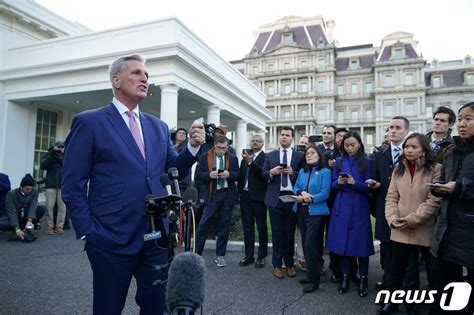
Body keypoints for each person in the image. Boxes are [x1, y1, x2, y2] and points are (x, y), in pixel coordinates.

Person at [61, 54, 205, 315]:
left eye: (147, 75)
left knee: (156, 308)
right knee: (108, 308)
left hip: (155, 237)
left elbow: (174, 167)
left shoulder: (158, 127)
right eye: (136, 73)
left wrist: (192, 148)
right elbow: (72, 184)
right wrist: (88, 232)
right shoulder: (90, 122)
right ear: (116, 80)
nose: (145, 78)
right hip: (110, 237)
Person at [378, 133, 442, 315]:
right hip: (399, 227)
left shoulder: (436, 169)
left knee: (430, 272)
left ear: (424, 150)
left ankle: (417, 306)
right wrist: (392, 219)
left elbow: (434, 200)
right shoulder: (398, 169)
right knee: (396, 270)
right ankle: (392, 303)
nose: (409, 150)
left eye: (414, 147)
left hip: (424, 227)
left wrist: (412, 220)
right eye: (407, 147)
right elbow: (391, 198)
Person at [430, 102, 474, 315]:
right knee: (447, 283)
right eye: (461, 118)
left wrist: (458, 188)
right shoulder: (451, 150)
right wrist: (438, 188)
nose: (462, 124)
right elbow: (445, 179)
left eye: (469, 119)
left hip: (470, 226)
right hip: (447, 224)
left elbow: (459, 185)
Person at [326, 131, 374, 297]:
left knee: (362, 245)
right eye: (346, 145)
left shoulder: (368, 161)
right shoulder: (339, 161)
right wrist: (338, 182)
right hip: (341, 205)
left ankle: (363, 278)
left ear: (359, 144)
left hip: (359, 206)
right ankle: (344, 277)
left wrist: (356, 183)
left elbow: (370, 186)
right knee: (343, 245)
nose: (350, 148)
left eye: (353, 145)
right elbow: (331, 185)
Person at [373, 116, 418, 292]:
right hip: (385, 208)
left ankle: (407, 290)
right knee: (386, 248)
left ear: (406, 132)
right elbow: (377, 179)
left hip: (407, 208)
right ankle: (388, 281)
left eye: (398, 128)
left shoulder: (413, 154)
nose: (393, 130)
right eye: (391, 127)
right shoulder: (380, 155)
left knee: (407, 252)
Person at [263, 126, 304, 279]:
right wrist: (271, 173)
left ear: (292, 138)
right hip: (275, 198)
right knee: (277, 233)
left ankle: (289, 264)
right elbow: (263, 173)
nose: (284, 137)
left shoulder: (299, 156)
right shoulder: (271, 155)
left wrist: (293, 173)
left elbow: (304, 175)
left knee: (289, 233)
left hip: (292, 199)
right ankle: (277, 265)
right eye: (282, 135)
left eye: (287, 135)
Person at [195, 135, 239, 267]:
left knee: (223, 227)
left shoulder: (232, 157)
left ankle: (220, 256)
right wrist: (209, 175)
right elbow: (198, 175)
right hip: (211, 194)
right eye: (220, 148)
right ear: (214, 145)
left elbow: (238, 174)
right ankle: (197, 255)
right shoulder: (205, 156)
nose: (222, 150)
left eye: (225, 148)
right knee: (203, 225)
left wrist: (229, 174)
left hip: (226, 194)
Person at [292, 145, 331, 293]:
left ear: (319, 155)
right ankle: (310, 276)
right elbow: (295, 187)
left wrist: (309, 198)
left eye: (312, 153)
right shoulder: (303, 171)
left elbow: (324, 194)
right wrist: (301, 192)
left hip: (316, 213)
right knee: (306, 244)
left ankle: (314, 280)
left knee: (310, 245)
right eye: (307, 153)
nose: (308, 155)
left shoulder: (325, 172)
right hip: (301, 212)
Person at [238, 134, 268, 268]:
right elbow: (241, 176)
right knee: (247, 227)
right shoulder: (245, 157)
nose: (255, 143)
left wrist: (251, 162)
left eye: (258, 141)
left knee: (261, 228)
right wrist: (239, 193)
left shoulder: (266, 158)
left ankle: (261, 256)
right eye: (253, 141)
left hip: (259, 198)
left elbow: (263, 175)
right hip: (245, 197)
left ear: (262, 143)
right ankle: (249, 255)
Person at [0, 174, 46, 241]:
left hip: (26, 215)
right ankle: (16, 228)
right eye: (27, 189)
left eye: (31, 189)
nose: (29, 191)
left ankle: (29, 227)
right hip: (15, 215)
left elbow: (33, 207)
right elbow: (12, 213)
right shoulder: (11, 194)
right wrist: (17, 229)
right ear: (21, 187)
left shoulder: (34, 191)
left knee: (42, 208)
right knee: (2, 224)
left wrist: (30, 220)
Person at [40, 140, 67, 235]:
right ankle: (49, 227)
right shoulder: (49, 155)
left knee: (62, 207)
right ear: (54, 147)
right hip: (50, 185)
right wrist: (51, 154)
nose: (60, 149)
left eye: (62, 147)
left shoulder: (66, 156)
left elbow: (67, 167)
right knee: (49, 207)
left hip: (62, 185)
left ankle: (60, 226)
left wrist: (60, 157)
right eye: (58, 147)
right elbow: (43, 166)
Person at [295, 135, 309, 271]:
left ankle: (303, 258)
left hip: (303, 199)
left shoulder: (309, 158)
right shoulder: (294, 156)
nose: (303, 146)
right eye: (301, 143)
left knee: (302, 230)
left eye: (305, 144)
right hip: (291, 196)